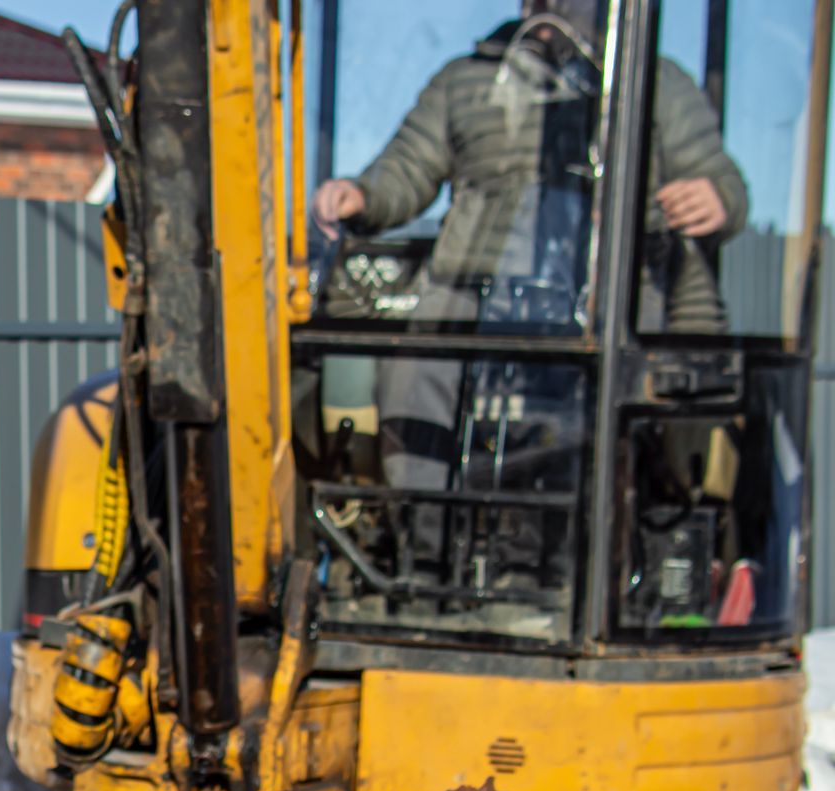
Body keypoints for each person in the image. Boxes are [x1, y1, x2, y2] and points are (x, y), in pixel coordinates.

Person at [311, 0, 747, 493]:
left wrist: (717, 199)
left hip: (611, 295)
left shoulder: (654, 83)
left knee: (628, 388)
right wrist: (363, 197)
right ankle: (421, 526)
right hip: (472, 292)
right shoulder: (467, 79)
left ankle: (612, 520)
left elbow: (718, 176)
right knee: (413, 373)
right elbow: (408, 167)